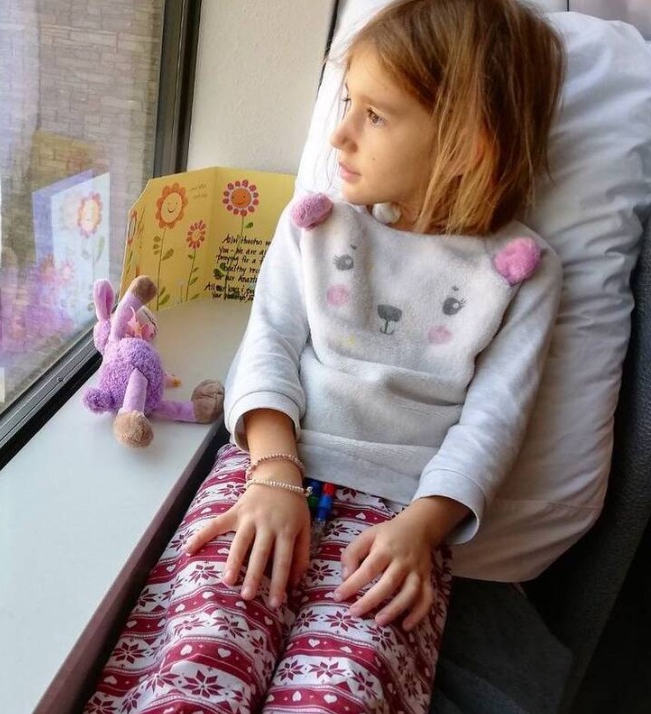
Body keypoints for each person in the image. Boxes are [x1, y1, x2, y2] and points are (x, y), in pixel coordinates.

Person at [87, 0, 565, 711]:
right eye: (347, 104)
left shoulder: (520, 271)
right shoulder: (313, 225)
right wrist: (275, 474)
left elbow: (495, 421)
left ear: (467, 145)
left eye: (375, 116)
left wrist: (421, 531)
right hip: (269, 469)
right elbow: (268, 346)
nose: (340, 135)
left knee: (343, 691)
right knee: (201, 655)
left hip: (403, 517)